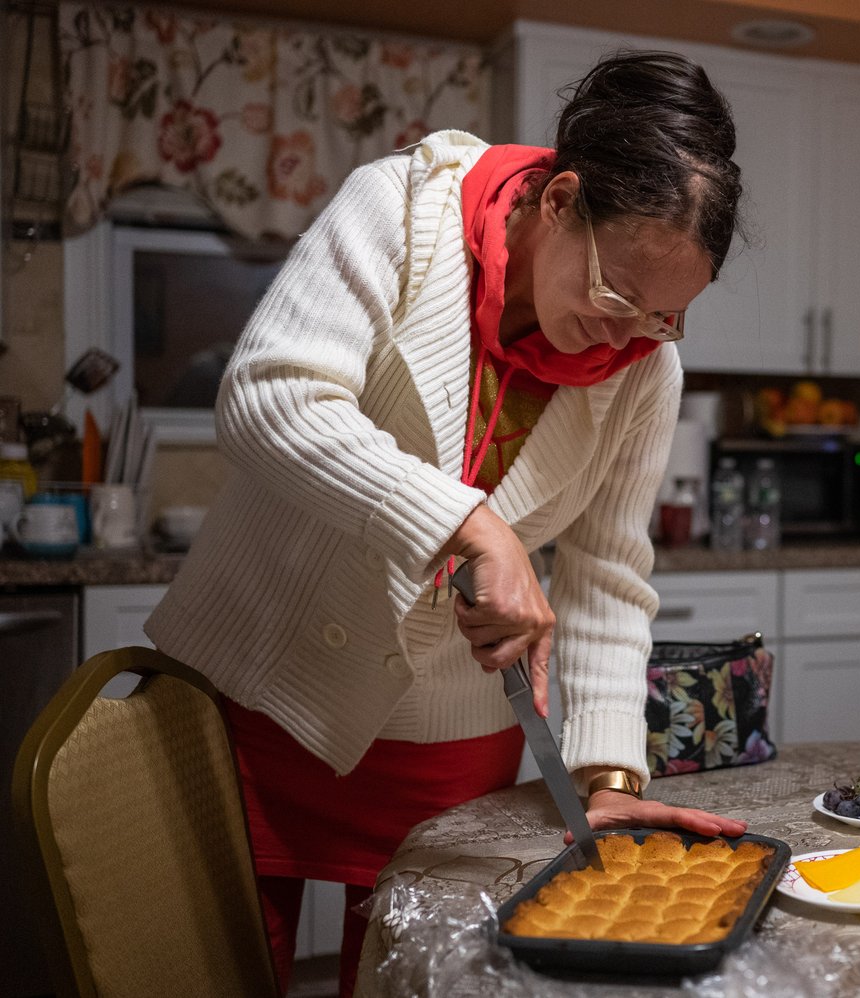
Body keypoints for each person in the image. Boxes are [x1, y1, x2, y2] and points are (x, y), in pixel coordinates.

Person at [144, 51, 746, 997]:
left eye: (666, 318)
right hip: (261, 692)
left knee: (408, 982)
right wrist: (473, 526)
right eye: (619, 296)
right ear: (559, 201)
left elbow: (609, 575)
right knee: (207, 971)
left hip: (449, 738)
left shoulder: (641, 368)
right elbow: (272, 398)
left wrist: (609, 778)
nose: (632, 337)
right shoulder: (400, 212)